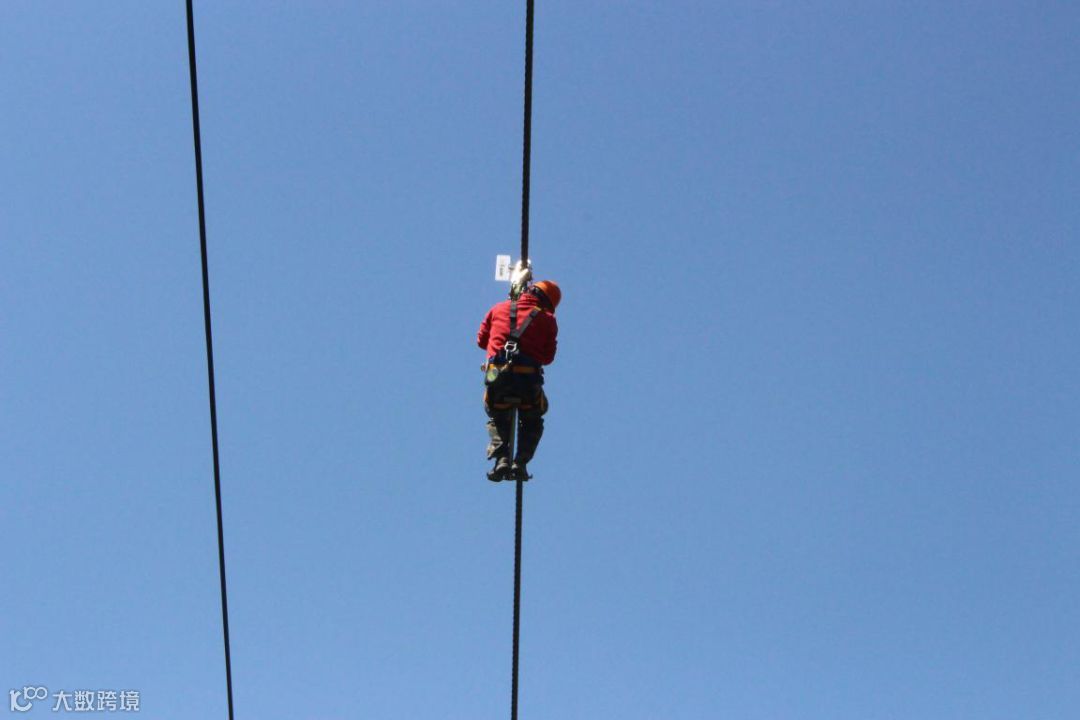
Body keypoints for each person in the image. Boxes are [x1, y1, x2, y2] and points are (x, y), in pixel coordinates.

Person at [477, 280, 561, 481]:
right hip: (527, 381)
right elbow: (548, 358)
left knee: (497, 412)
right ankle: (520, 462)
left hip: (497, 377)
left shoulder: (498, 308)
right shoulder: (548, 319)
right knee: (533, 418)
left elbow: (481, 341)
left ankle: (501, 459)